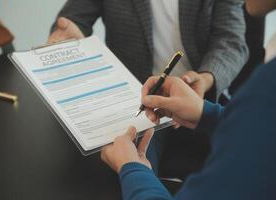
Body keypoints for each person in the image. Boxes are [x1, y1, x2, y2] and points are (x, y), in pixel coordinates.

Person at [49, 0, 249, 178]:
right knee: (119, 169)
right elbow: (71, 21)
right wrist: (65, 41)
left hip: (202, 95)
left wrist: (206, 79)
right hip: (136, 100)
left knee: (243, 167)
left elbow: (231, 42)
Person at [100, 0, 276, 199]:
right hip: (165, 107)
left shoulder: (267, 90)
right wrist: (206, 114)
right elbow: (255, 130)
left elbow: (231, 42)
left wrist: (132, 169)